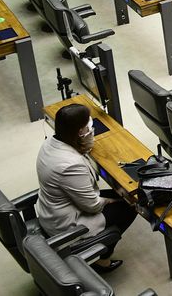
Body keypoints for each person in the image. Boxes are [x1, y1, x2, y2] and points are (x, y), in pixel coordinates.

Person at [37, 103, 137, 273]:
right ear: (80, 133)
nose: (92, 130)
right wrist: (111, 200)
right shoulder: (70, 165)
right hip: (68, 223)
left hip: (54, 209)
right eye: (89, 127)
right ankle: (102, 259)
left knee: (121, 195)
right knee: (131, 205)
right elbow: (93, 206)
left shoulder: (51, 144)